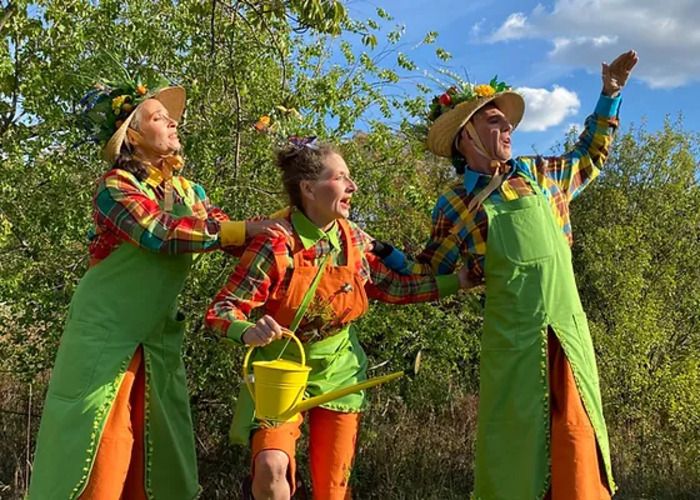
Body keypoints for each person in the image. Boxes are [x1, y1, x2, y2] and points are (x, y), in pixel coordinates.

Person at [373, 51, 639, 498]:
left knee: (577, 440)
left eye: (506, 121)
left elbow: (590, 154)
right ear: (466, 138)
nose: (507, 128)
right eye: (494, 122)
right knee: (514, 454)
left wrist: (610, 93)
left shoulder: (540, 175)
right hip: (512, 345)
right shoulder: (454, 204)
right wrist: (382, 255)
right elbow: (427, 271)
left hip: (567, 335)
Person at [29, 70, 287, 499]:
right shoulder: (116, 186)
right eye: (158, 117)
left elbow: (228, 233)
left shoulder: (189, 190)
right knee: (101, 453)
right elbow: (158, 231)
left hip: (157, 336)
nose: (173, 123)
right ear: (131, 137)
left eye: (170, 117)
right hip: (106, 335)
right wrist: (244, 230)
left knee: (158, 457)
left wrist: (292, 217)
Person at [204, 137, 470, 500]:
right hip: (279, 373)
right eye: (341, 177)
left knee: (334, 488)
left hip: (340, 370)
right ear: (309, 188)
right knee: (270, 469)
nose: (352, 186)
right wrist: (248, 329)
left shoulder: (356, 241)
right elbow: (222, 309)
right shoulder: (276, 242)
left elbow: (395, 287)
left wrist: (459, 281)